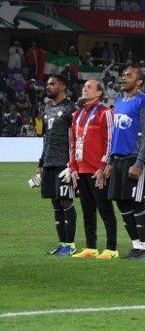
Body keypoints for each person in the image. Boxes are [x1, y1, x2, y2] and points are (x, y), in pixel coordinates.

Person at [104, 66, 145, 259]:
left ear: (139, 81)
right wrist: (109, 160)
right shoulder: (118, 101)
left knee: (137, 202)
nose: (123, 78)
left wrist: (140, 163)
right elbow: (115, 134)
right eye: (123, 75)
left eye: (128, 75)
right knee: (122, 202)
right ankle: (135, 246)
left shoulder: (144, 103)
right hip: (118, 159)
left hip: (134, 158)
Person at [68, 79, 118, 259]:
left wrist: (103, 166)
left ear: (98, 93)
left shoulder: (105, 113)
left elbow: (109, 142)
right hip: (81, 169)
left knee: (104, 209)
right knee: (87, 209)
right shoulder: (77, 115)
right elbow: (73, 143)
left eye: (89, 87)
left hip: (97, 170)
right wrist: (73, 166)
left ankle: (112, 248)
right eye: (83, 87)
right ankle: (91, 247)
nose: (84, 89)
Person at [37, 74, 77, 256]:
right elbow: (46, 139)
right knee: (55, 203)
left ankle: (71, 245)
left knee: (66, 201)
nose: (48, 86)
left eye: (52, 84)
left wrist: (73, 163)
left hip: (64, 163)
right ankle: (62, 244)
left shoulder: (71, 109)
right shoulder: (47, 110)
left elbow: (76, 137)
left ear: (62, 87)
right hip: (49, 163)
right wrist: (41, 163)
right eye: (47, 84)